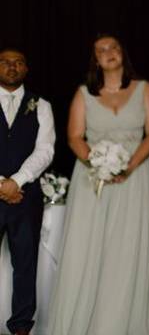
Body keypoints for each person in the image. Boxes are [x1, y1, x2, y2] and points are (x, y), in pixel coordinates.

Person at [49, 35, 149, 335]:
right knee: (87, 247)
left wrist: (128, 167)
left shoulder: (144, 89)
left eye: (113, 47)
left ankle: (122, 323)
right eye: (101, 50)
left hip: (134, 178)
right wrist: (98, 164)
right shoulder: (84, 93)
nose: (109, 53)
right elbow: (74, 136)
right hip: (92, 180)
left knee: (126, 250)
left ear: (122, 53)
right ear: (95, 60)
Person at [0, 48, 54, 335]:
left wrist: (17, 181)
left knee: (25, 264)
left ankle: (21, 326)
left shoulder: (41, 105)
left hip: (25, 197)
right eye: (5, 62)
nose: (11, 67)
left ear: (26, 69)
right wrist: (1, 185)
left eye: (18, 62)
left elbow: (45, 150)